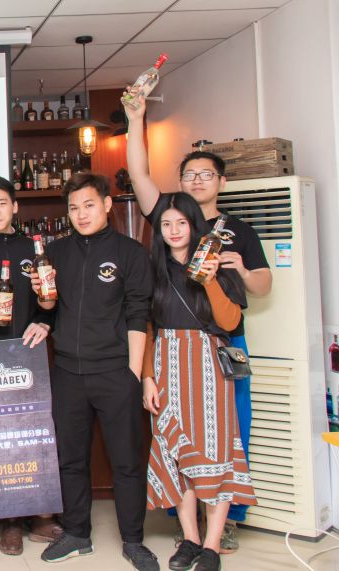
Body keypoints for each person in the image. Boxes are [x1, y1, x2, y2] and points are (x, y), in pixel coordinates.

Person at [125, 90, 271, 552]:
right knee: (175, 442)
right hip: (169, 356)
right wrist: (135, 117)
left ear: (221, 181)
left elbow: (256, 291)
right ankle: (188, 532)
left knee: (225, 437)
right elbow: (138, 174)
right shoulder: (161, 248)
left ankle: (220, 527)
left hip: (220, 350)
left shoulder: (237, 233)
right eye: (190, 174)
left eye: (206, 174)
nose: (173, 229)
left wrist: (233, 271)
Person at [33, 173, 158, 570]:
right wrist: (42, 297)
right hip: (68, 371)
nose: (81, 214)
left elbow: (138, 314)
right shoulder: (56, 252)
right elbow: (49, 307)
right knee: (70, 459)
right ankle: (76, 533)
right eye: (74, 208)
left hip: (115, 371)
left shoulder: (131, 253)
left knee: (126, 461)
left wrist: (133, 375)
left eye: (88, 205)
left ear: (106, 204)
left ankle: (133, 540)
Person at [142, 192, 256, 571]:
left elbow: (230, 322)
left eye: (181, 223)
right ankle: (190, 538)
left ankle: (212, 545)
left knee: (216, 453)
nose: (174, 231)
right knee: (175, 455)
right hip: (166, 363)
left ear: (195, 225)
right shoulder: (153, 270)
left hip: (209, 365)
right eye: (166, 224)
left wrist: (209, 281)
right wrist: (147, 377)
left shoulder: (217, 264)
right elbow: (148, 328)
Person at [0, 176, 60, 554]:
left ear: (15, 207)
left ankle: (42, 514)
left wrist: (45, 320)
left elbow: (50, 301)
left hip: (28, 353)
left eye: (2, 203)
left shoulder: (33, 249)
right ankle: (10, 520)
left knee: (35, 433)